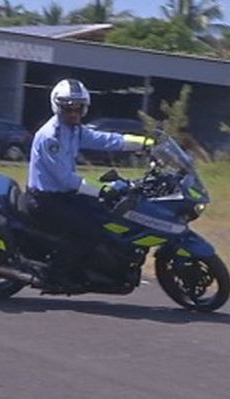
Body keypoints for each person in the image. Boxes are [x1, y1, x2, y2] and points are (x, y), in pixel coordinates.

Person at [25, 78, 152, 287]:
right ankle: (55, 276)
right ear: (58, 107)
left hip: (64, 196)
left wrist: (145, 143)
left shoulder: (74, 129)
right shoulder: (51, 137)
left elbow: (105, 139)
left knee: (106, 216)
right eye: (68, 109)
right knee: (88, 232)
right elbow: (65, 179)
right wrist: (100, 190)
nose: (74, 113)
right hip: (45, 201)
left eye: (78, 109)